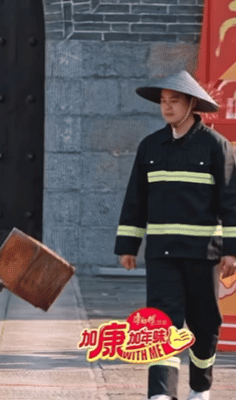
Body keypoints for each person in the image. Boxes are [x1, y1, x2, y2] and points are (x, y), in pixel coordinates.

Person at [115, 70, 236, 400]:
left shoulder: (216, 147)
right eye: (163, 101)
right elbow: (135, 200)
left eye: (175, 101)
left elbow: (231, 202)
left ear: (192, 104)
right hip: (162, 253)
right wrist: (128, 246)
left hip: (204, 254)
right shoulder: (150, 146)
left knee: (204, 323)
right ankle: (161, 393)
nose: (167, 107)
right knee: (161, 322)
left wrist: (231, 250)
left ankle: (200, 387)